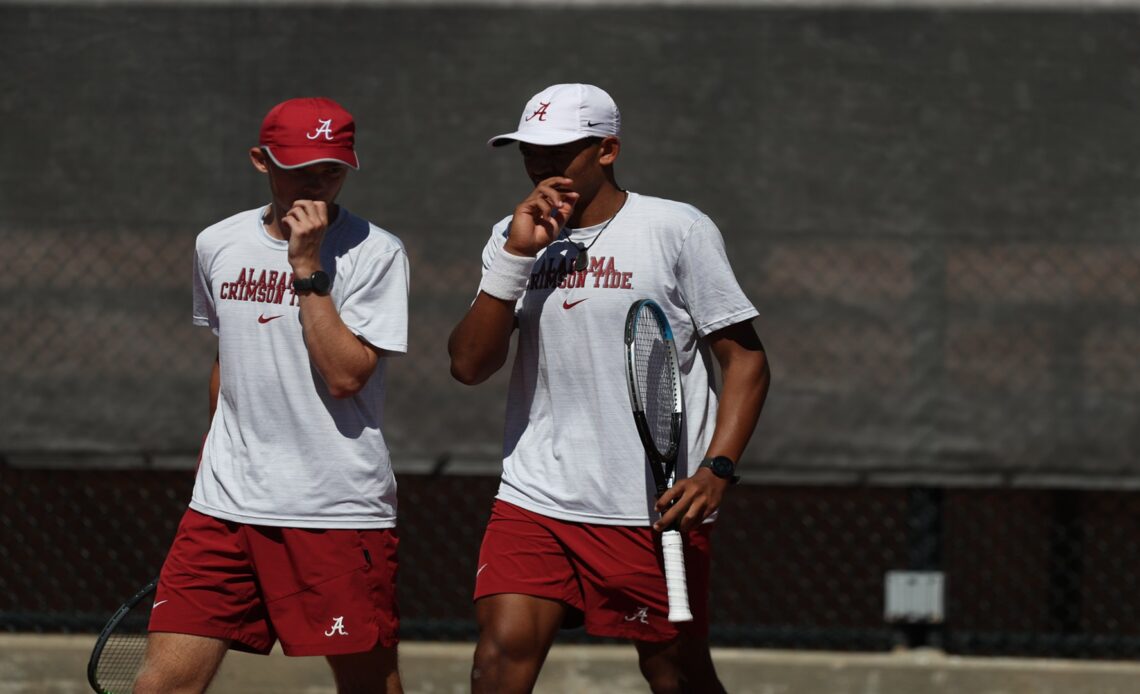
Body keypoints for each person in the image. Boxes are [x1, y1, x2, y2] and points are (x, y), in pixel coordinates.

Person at [448, 83, 771, 694]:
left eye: (559, 151)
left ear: (607, 149)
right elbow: (469, 364)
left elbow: (747, 361)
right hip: (535, 497)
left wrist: (717, 469)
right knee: (497, 661)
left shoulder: (676, 229)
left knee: (674, 673)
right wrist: (516, 256)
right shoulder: (512, 235)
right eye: (529, 152)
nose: (541, 166)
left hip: (649, 509)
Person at [134, 97, 409, 694]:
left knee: (368, 685)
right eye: (300, 168)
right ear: (262, 161)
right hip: (223, 508)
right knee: (161, 686)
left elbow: (346, 374)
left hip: (334, 513)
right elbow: (226, 359)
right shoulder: (217, 243)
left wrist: (306, 264)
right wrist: (216, 453)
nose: (316, 184)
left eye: (331, 171)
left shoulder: (377, 252)